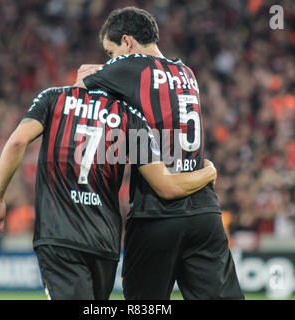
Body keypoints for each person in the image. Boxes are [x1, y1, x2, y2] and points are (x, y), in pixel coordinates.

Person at [0, 85, 218, 300]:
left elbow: (16, 143)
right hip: (104, 242)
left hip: (60, 235)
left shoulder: (55, 97)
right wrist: (208, 172)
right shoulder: (130, 116)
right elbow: (166, 186)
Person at [76, 7, 244, 300]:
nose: (109, 60)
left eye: (110, 52)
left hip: (156, 214)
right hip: (204, 212)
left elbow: (76, 94)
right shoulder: (187, 72)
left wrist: (89, 72)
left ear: (127, 42)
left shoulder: (130, 67)